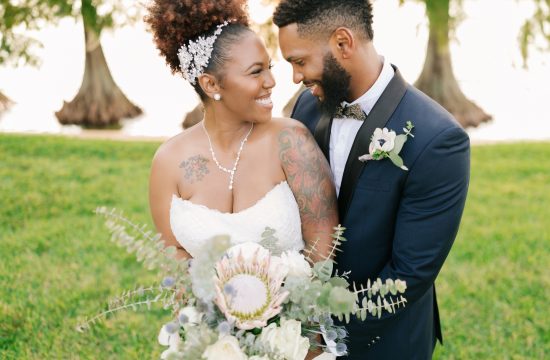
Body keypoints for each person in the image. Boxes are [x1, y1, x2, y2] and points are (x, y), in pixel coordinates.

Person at [273, 0, 471, 359]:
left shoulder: (437, 140)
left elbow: (410, 273)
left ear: (343, 43)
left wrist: (327, 339)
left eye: (299, 61)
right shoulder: (305, 107)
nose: (296, 78)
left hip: (386, 340)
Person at [145, 0, 337, 271]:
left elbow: (324, 255)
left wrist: (286, 309)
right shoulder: (168, 162)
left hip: (298, 310)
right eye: (256, 71)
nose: (271, 82)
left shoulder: (291, 141)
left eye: (270, 68)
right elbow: (174, 258)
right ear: (211, 84)